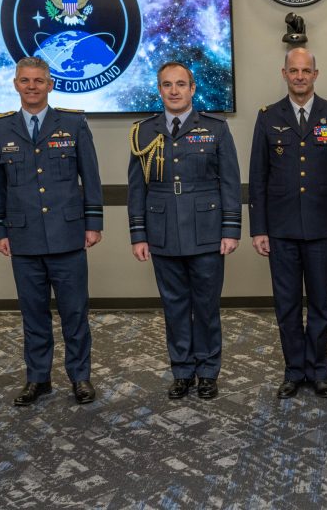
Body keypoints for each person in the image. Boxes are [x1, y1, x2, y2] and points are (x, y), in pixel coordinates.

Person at [0, 56, 103, 406]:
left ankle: (80, 377)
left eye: (39, 80)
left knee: (74, 314)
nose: (32, 86)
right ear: (15, 84)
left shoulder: (73, 123)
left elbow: (91, 178)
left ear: (51, 84)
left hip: (68, 235)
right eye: (25, 80)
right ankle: (38, 379)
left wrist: (93, 223)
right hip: (23, 238)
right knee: (33, 315)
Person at [127, 61, 241, 400]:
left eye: (180, 84)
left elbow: (230, 183)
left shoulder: (215, 129)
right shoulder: (143, 132)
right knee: (174, 305)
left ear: (193, 89)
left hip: (206, 231)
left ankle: (207, 371)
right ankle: (181, 370)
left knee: (206, 306)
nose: (174, 91)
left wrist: (230, 229)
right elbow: (137, 189)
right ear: (159, 90)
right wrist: (139, 234)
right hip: (162, 232)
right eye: (167, 85)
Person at [248, 47, 327, 399]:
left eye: (305, 71)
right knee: (288, 305)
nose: (299, 76)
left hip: (324, 230)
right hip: (280, 230)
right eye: (293, 71)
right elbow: (258, 178)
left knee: (321, 304)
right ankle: (294, 371)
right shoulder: (267, 117)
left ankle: (319, 371)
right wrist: (259, 228)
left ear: (315, 73)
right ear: (284, 74)